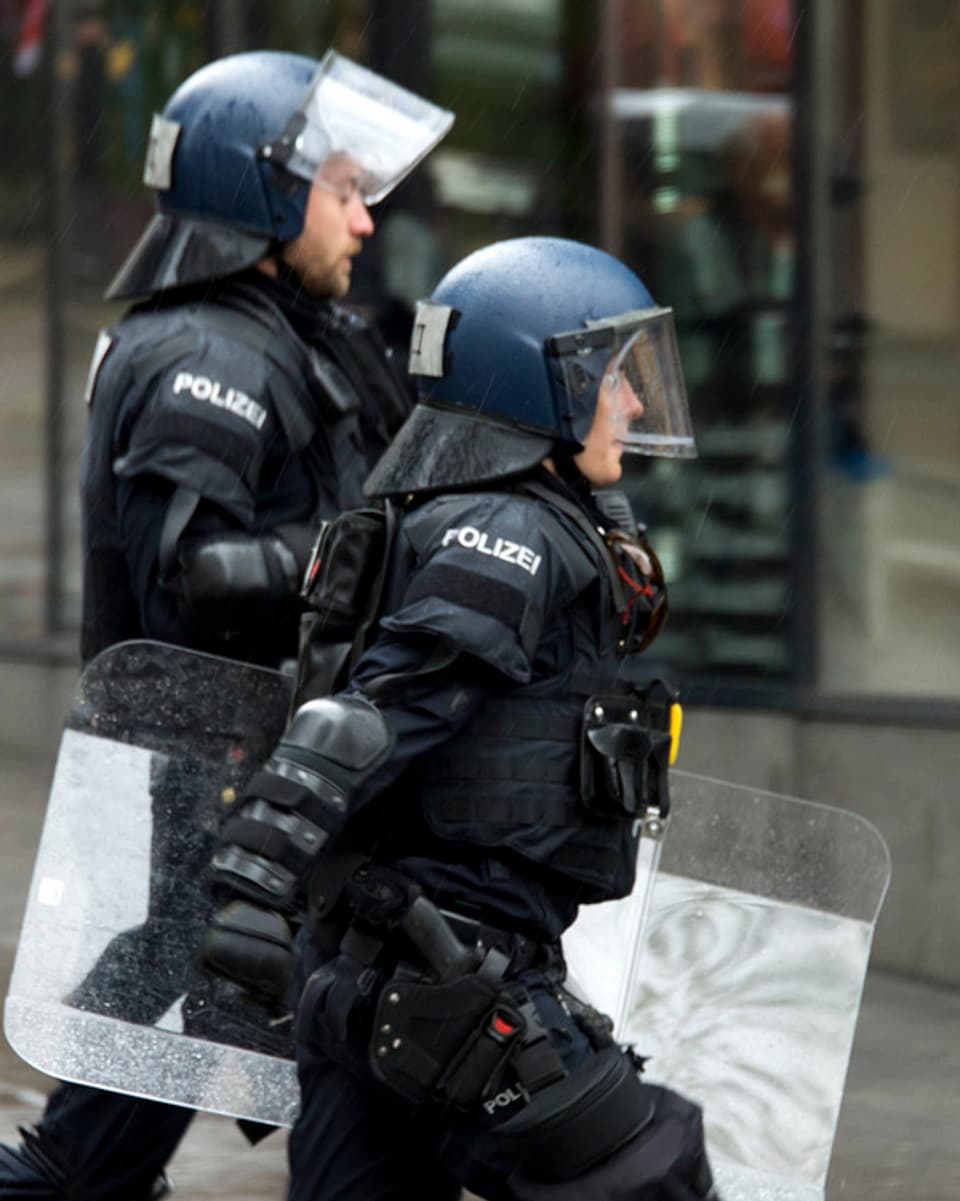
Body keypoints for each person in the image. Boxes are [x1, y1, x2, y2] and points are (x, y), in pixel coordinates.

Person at [0, 48, 452, 1201]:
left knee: (189, 991)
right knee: (196, 976)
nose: (361, 220)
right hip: (224, 752)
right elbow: (196, 580)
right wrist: (355, 564)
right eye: (341, 190)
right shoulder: (209, 351)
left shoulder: (288, 334)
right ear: (261, 193)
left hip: (268, 760)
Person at [203, 236, 717, 1199]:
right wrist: (251, 883)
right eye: (615, 377)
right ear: (542, 388)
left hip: (377, 981)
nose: (637, 403)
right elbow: (369, 718)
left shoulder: (468, 510)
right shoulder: (512, 529)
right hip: (449, 982)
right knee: (656, 1174)